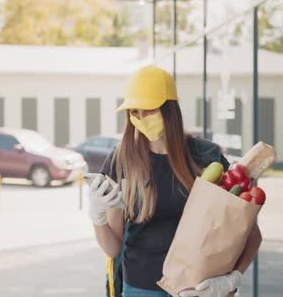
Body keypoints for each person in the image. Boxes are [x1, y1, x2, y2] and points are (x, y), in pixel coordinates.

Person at [87, 66, 262, 297]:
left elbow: (251, 234)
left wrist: (232, 279)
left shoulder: (206, 157)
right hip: (141, 288)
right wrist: (98, 219)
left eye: (148, 110)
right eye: (134, 112)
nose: (140, 118)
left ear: (169, 109)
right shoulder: (122, 160)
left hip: (198, 288)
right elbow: (113, 247)